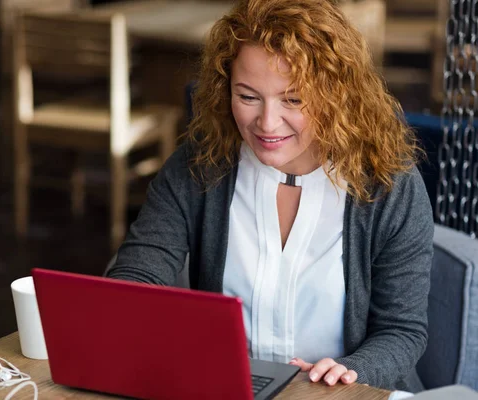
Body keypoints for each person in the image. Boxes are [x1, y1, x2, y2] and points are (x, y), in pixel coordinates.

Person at [106, 0, 433, 392]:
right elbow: (140, 272)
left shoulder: (389, 185)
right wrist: (134, 311)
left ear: (335, 95)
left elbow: (402, 331)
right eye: (248, 97)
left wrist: (351, 370)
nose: (267, 123)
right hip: (224, 387)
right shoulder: (201, 163)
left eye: (292, 100)